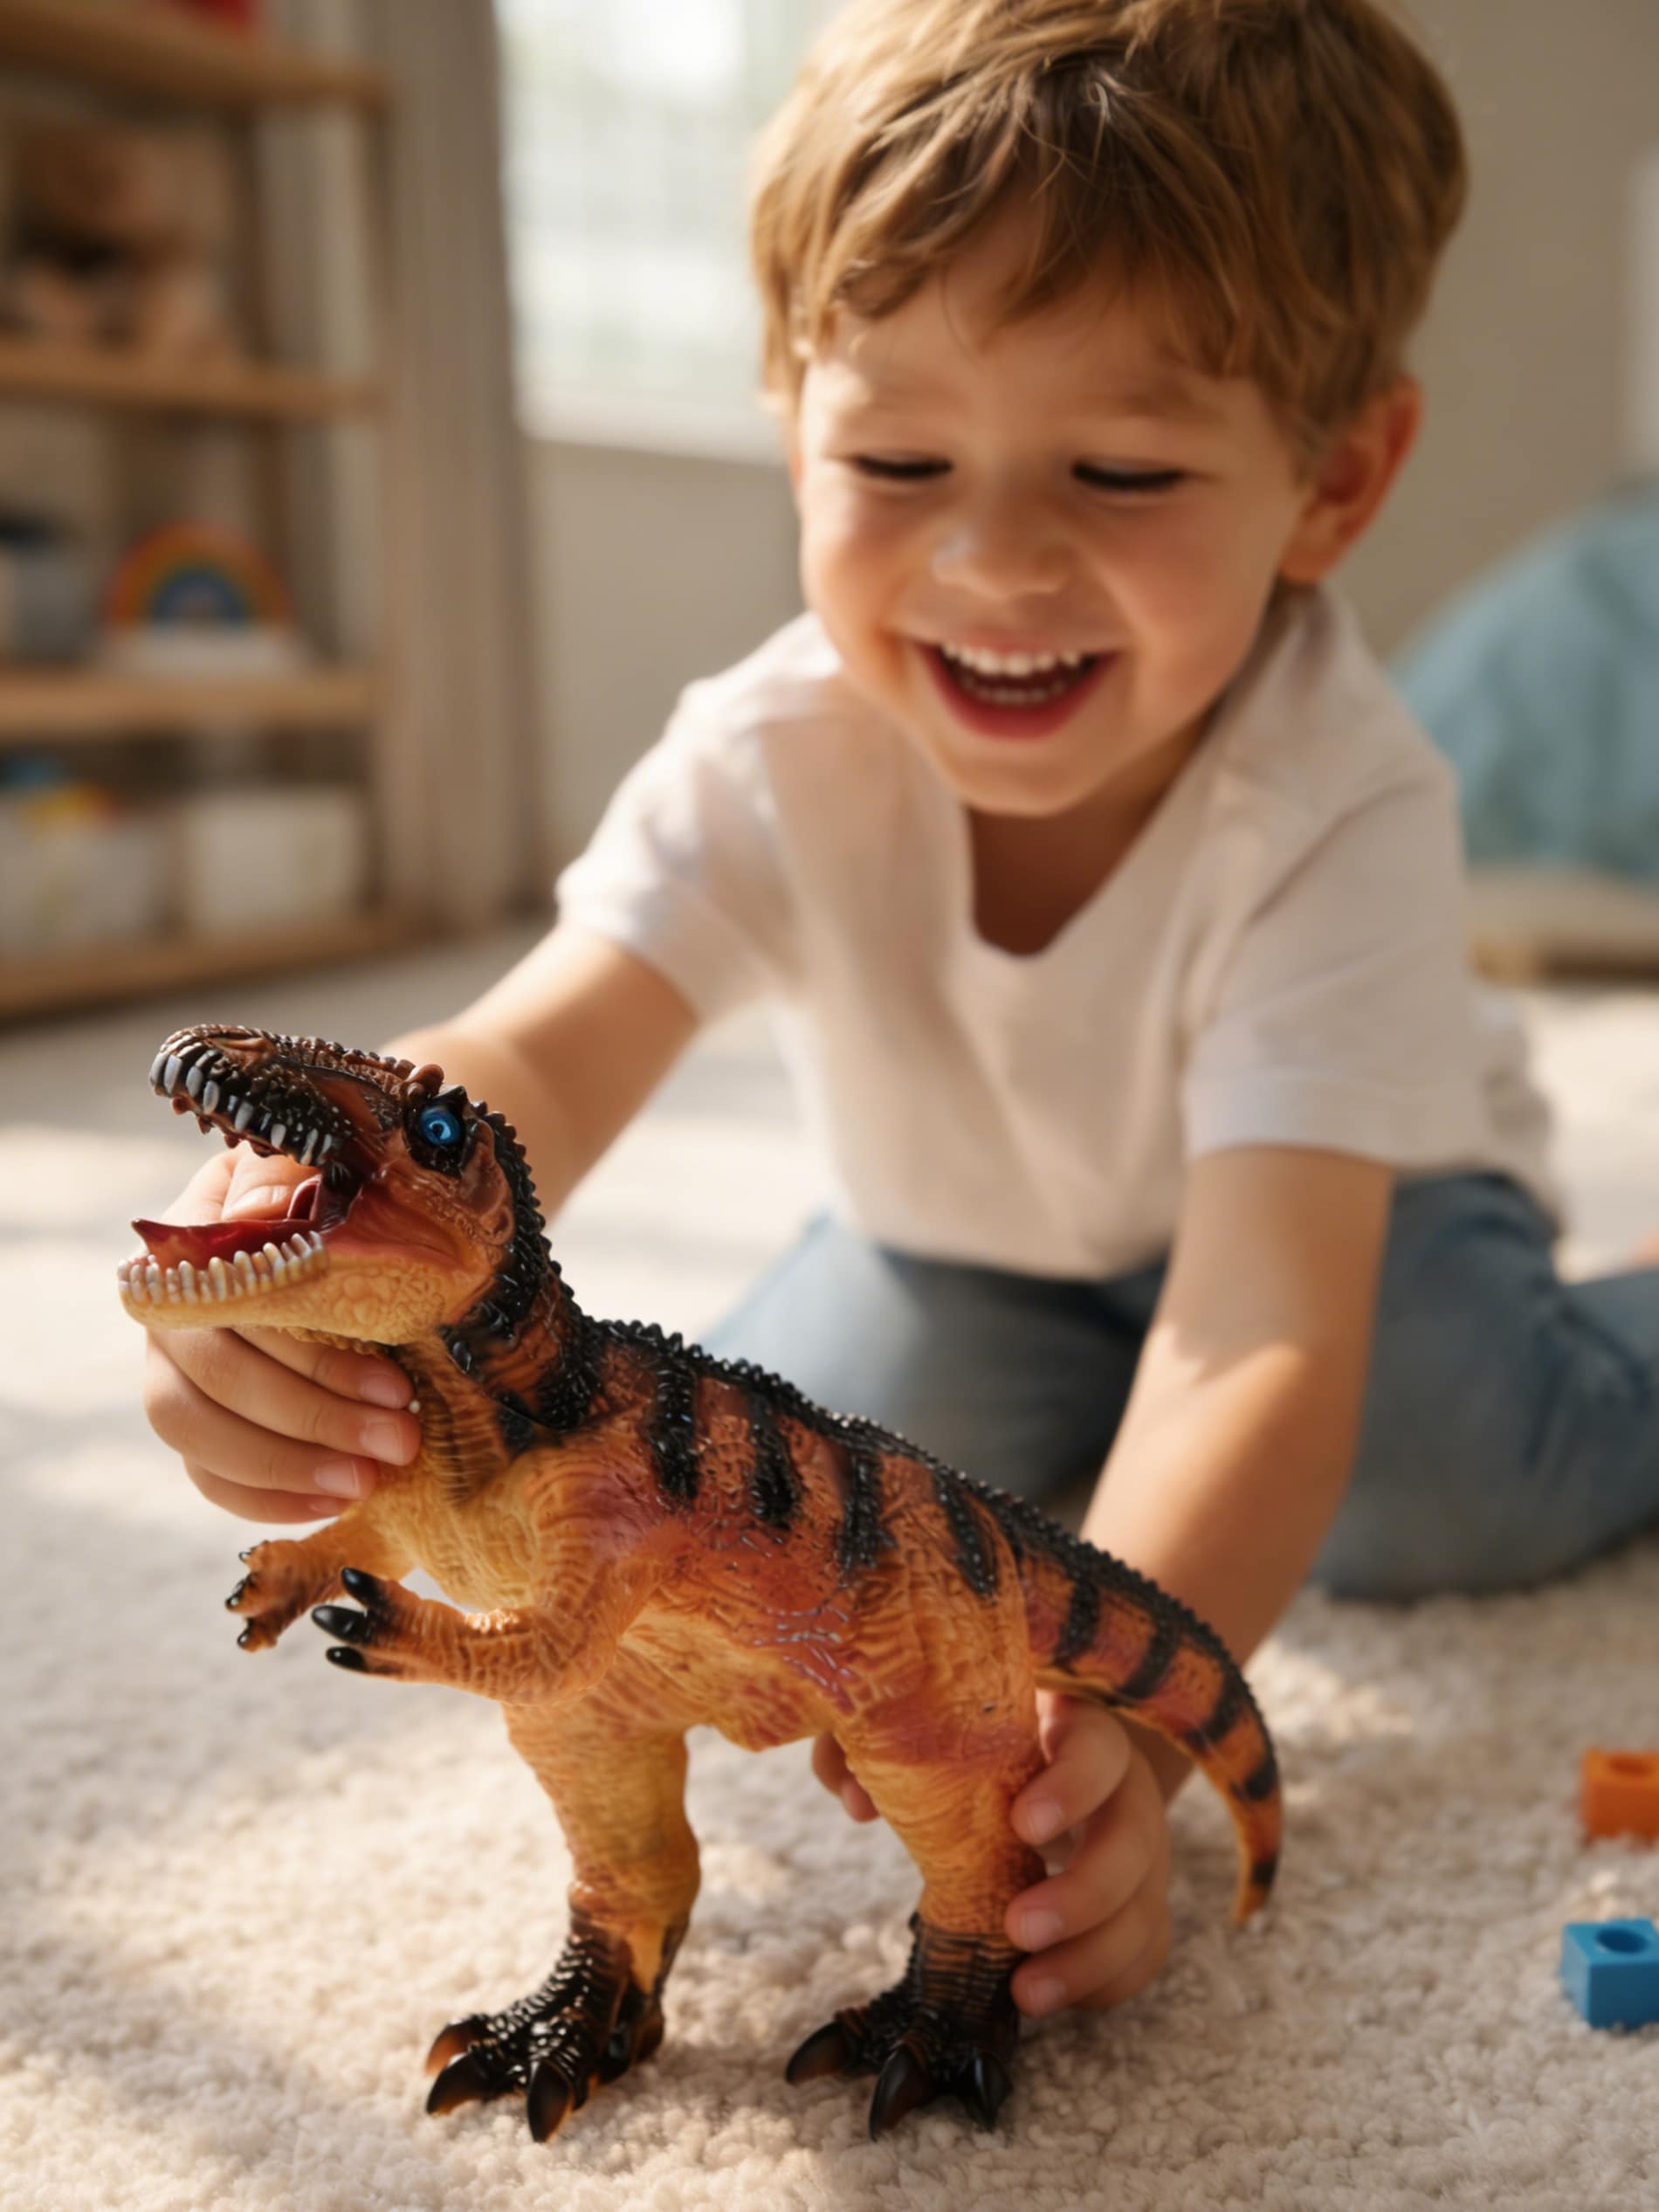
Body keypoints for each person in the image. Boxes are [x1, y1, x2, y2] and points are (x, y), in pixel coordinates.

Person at [139, 0, 1659, 2036]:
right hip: (956, 1241)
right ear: (793, 427)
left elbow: (1257, 1336)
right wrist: (290, 1239)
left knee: (1429, 1482)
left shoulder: (1339, 797)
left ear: (1333, 479)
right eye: (895, 460)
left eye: (1120, 468)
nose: (994, 557)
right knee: (732, 1497)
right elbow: (526, 1068)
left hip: (1341, 1237)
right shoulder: (764, 749)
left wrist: (1110, 1729)